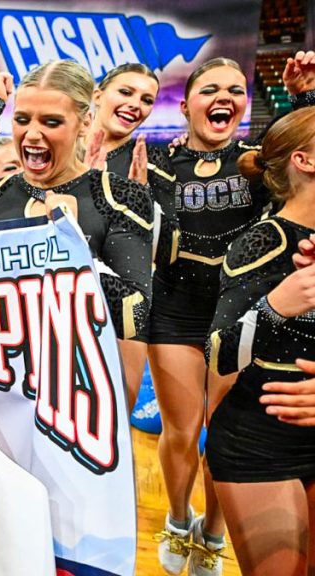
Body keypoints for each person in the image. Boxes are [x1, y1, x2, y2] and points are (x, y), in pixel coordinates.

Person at [149, 53, 315, 576]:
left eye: (235, 89)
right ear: (186, 104)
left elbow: (301, 155)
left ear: (244, 106)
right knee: (183, 430)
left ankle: (216, 534)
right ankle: (178, 519)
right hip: (179, 312)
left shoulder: (257, 161)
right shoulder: (157, 164)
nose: (224, 96)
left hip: (246, 307)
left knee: (221, 423)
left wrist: (305, 95)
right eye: (210, 88)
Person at [0, 62, 153, 398]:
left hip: (74, 397)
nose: (33, 134)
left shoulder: (120, 197)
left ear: (85, 122)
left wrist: (72, 249)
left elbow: (136, 314)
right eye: (22, 120)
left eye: (51, 122)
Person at [205, 105, 315, 576]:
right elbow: (220, 352)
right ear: (304, 161)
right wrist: (276, 307)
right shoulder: (265, 240)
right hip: (260, 441)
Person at [82, 62, 176, 408]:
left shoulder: (152, 161)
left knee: (114, 418)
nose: (136, 104)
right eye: (126, 92)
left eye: (146, 99)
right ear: (97, 94)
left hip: (124, 307)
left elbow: (169, 250)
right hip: (58, 300)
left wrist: (142, 201)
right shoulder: (61, 149)